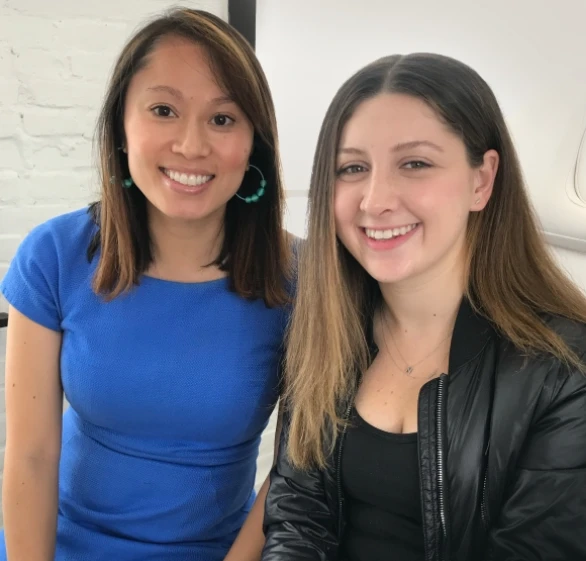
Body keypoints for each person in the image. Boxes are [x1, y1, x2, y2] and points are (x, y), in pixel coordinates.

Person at [261, 53, 586, 561]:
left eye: (415, 163)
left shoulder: (565, 370)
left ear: (482, 181)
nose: (375, 200)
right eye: (352, 168)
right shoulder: (327, 330)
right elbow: (297, 519)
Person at [0, 7, 292, 561]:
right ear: (121, 126)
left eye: (223, 119)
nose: (191, 145)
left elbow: (294, 469)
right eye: (163, 110)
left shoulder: (298, 278)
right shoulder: (55, 255)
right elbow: (31, 457)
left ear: (254, 140)